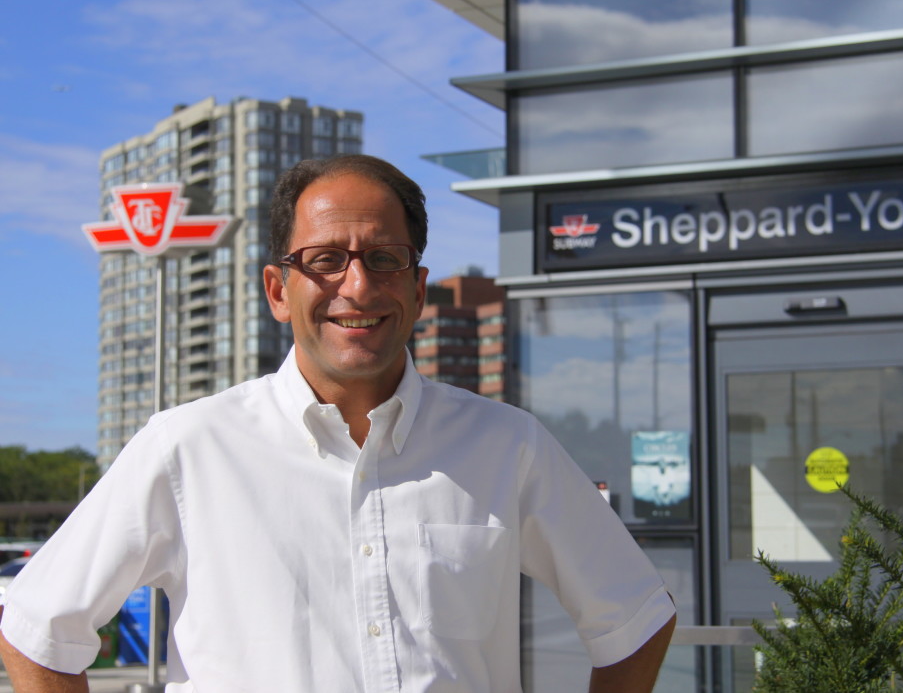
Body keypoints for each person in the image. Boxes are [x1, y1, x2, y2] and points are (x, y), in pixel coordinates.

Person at [0, 155, 677, 692]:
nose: (357, 285)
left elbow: (636, 618)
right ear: (278, 290)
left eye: (384, 258)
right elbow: (38, 632)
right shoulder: (188, 448)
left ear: (417, 288)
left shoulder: (507, 446)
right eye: (325, 260)